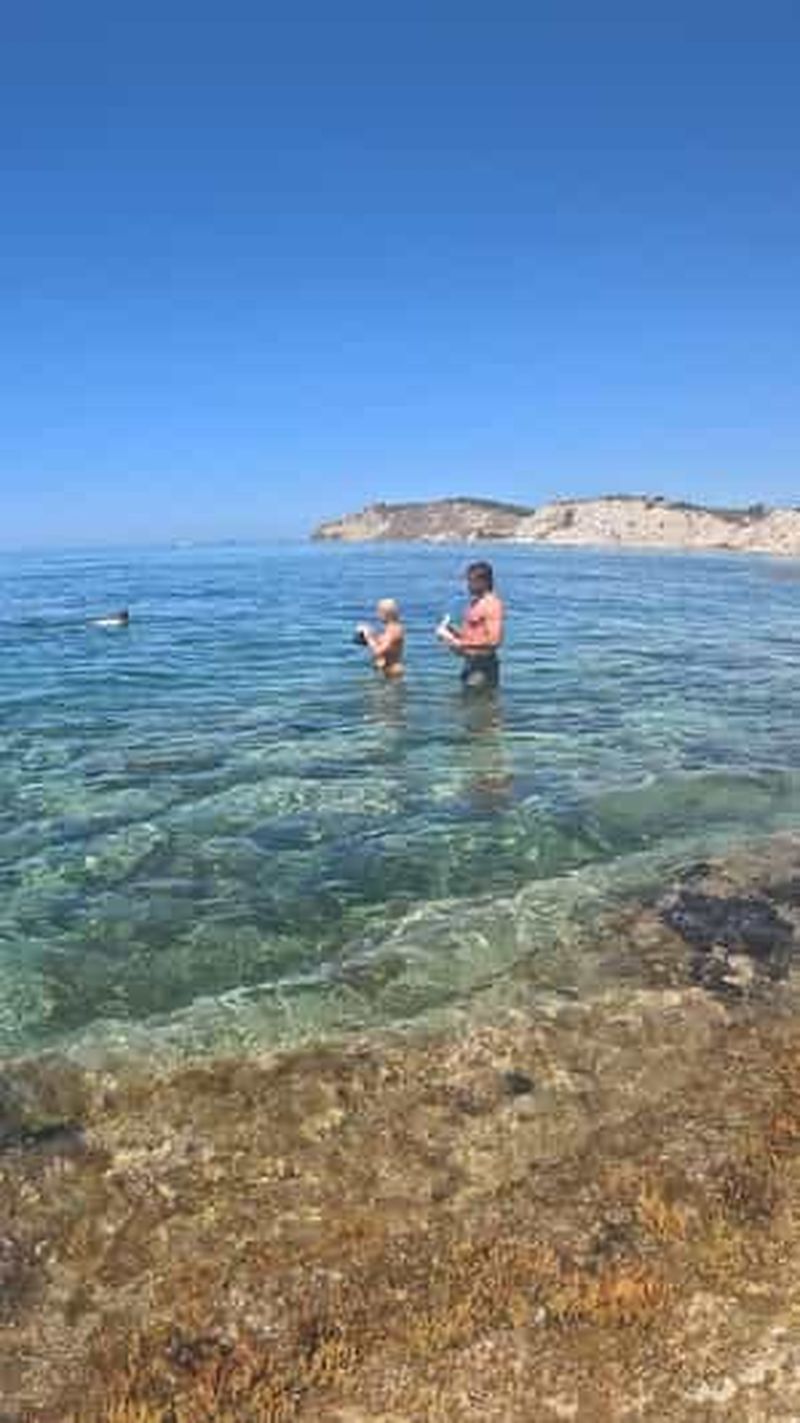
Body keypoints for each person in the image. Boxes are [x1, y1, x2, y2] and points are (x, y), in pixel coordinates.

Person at [437, 561, 504, 689]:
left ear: (484, 582)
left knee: (478, 700)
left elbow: (495, 640)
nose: (467, 585)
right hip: (471, 663)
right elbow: (473, 634)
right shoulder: (476, 602)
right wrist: (451, 631)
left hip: (482, 667)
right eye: (468, 580)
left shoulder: (491, 604)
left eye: (471, 581)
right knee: (468, 700)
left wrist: (460, 643)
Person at [356, 598, 405, 679]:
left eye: (379, 612)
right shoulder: (391, 628)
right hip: (386, 670)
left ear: (386, 613)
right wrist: (370, 633)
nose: (377, 615)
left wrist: (368, 637)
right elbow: (386, 644)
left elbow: (378, 652)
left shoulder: (394, 630)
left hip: (392, 671)